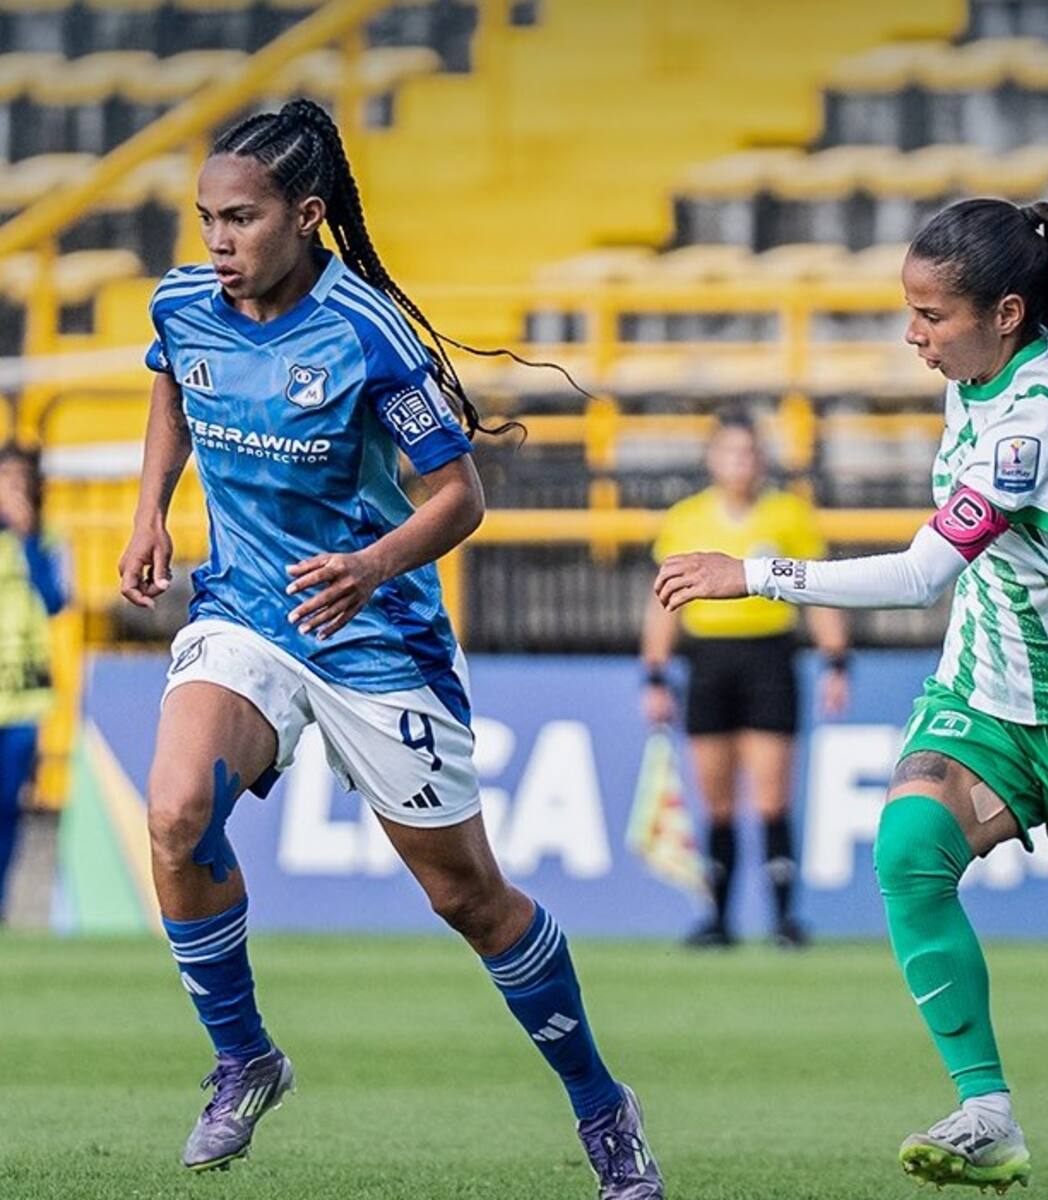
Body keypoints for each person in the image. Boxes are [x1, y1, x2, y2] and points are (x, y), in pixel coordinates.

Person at [117, 98, 664, 1199]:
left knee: (469, 899)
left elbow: (460, 497)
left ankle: (601, 1103)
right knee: (175, 813)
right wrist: (150, 511)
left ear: (306, 215)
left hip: (375, 634)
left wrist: (371, 566)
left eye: (240, 219)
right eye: (205, 218)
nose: (217, 241)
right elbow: (174, 386)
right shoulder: (184, 302)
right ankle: (244, 1058)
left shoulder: (365, 332)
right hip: (247, 614)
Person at [654, 197, 1048, 1196]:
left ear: (1004, 312)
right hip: (987, 686)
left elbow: (919, 576)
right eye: (910, 311)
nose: (913, 336)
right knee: (909, 849)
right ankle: (986, 1110)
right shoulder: (998, 365)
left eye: (930, 317)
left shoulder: (1033, 420)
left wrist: (757, 574)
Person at [641, 409, 849, 947]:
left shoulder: (788, 515)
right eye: (731, 452)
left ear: (762, 459)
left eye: (750, 452)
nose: (741, 462)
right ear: (713, 459)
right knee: (716, 800)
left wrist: (835, 660)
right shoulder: (686, 518)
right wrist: (656, 674)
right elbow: (663, 602)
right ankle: (717, 918)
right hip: (708, 659)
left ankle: (783, 919)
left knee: (772, 795)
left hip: (768, 657)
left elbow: (816, 590)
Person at [0, 443, 67, 922]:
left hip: (22, 698)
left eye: (20, 480)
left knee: (7, 808)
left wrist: (26, 536)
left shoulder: (46, 540)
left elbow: (54, 601)